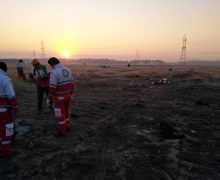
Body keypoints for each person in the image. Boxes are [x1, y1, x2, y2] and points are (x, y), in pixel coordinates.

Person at [48, 57, 74, 136]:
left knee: (60, 114)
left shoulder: (54, 72)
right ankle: (67, 126)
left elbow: (52, 87)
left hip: (59, 97)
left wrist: (50, 97)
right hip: (68, 96)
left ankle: (62, 131)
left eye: (50, 65)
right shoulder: (68, 70)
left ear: (53, 64)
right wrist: (71, 93)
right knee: (66, 111)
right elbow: (72, 84)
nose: (51, 67)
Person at [0, 62, 19, 156]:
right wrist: (16, 107)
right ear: (4, 69)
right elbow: (11, 96)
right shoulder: (5, 79)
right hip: (4, 110)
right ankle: (6, 151)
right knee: (7, 129)